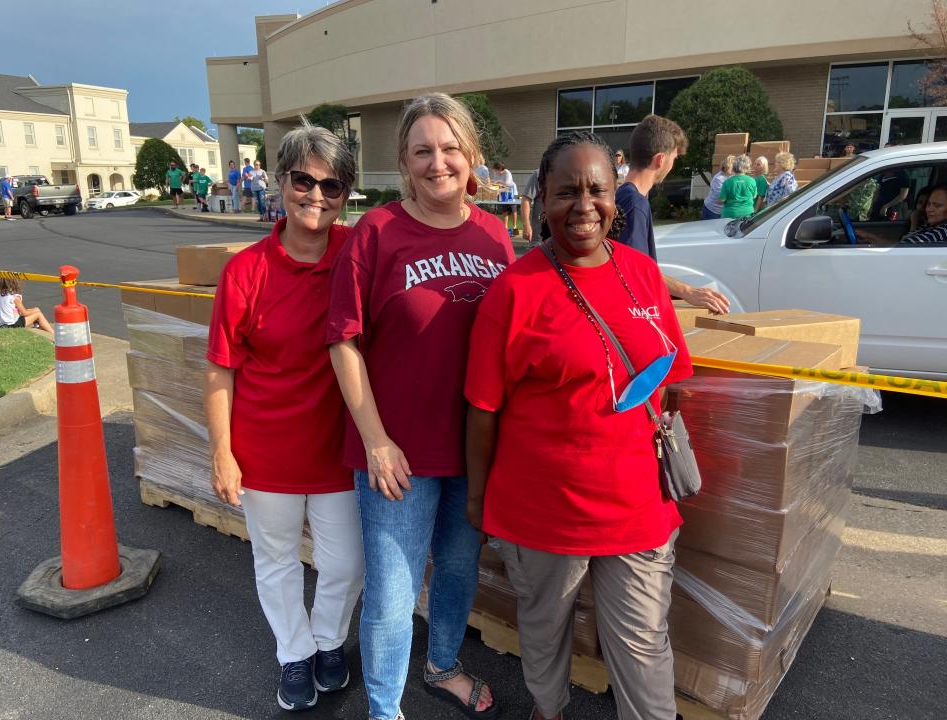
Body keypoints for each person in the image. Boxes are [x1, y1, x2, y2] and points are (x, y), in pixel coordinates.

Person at [464, 131, 692, 720]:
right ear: (542, 200)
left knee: (643, 644)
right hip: (542, 508)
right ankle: (549, 709)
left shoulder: (643, 275)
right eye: (567, 191)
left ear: (617, 197)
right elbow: (483, 408)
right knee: (544, 629)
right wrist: (476, 499)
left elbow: (672, 379)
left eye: (597, 189)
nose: (584, 205)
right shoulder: (514, 291)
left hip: (637, 505)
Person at [327, 92, 513, 720]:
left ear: (472, 156)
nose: (439, 162)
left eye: (451, 148)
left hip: (470, 447)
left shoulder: (493, 235)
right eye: (423, 151)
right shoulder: (375, 234)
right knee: (391, 590)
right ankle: (384, 709)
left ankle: (441, 666)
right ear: (404, 163)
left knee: (460, 570)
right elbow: (343, 341)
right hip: (396, 453)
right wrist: (376, 440)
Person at [204, 122, 365, 713]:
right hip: (265, 450)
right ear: (280, 182)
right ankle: (294, 654)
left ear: (347, 194)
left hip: (337, 450)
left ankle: (329, 641)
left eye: (332, 185)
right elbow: (221, 369)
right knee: (274, 562)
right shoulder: (245, 271)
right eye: (304, 180)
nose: (316, 196)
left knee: (345, 562)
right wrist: (221, 450)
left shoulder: (356, 251)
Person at [615, 114, 730, 314]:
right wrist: (688, 291)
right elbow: (637, 272)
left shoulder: (624, 195)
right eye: (674, 159)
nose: (672, 166)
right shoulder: (634, 203)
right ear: (660, 159)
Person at [859, 185, 947, 245]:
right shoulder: (930, 226)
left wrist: (871, 237)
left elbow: (904, 247)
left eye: (937, 206)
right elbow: (903, 244)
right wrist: (869, 237)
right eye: (929, 204)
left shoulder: (942, 231)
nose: (928, 209)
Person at [717, 154, 757, 219]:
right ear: (747, 166)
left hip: (729, 214)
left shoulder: (727, 182)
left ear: (734, 166)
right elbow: (754, 196)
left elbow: (721, 200)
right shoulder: (752, 181)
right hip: (747, 214)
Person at [701, 154, 735, 220]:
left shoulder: (732, 176)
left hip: (723, 210)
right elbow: (721, 198)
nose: (736, 169)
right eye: (733, 167)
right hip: (712, 211)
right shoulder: (719, 178)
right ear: (727, 167)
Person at [490, 161, 519, 236]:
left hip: (512, 192)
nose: (495, 171)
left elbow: (507, 183)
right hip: (503, 192)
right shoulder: (496, 173)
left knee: (513, 209)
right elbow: (494, 182)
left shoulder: (507, 173)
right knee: (505, 210)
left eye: (496, 169)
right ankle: (505, 227)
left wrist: (499, 181)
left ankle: (515, 227)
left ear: (499, 168)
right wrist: (492, 182)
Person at [520, 168, 542, 245]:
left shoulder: (571, 173)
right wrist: (526, 224)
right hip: (540, 236)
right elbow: (526, 199)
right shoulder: (539, 174)